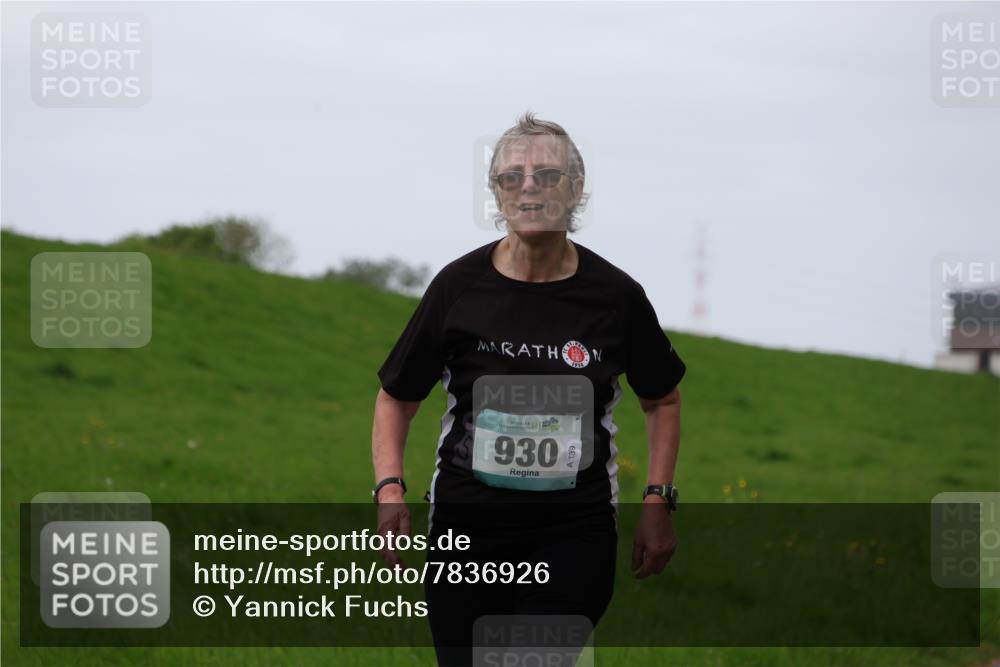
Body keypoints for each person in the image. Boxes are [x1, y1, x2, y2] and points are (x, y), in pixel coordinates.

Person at [371, 112, 685, 666]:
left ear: (577, 188)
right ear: (496, 192)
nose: (529, 187)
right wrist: (390, 489)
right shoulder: (458, 288)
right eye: (511, 177)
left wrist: (658, 499)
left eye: (547, 174)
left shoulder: (614, 295)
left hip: (573, 530)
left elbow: (661, 400)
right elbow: (397, 396)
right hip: (466, 529)